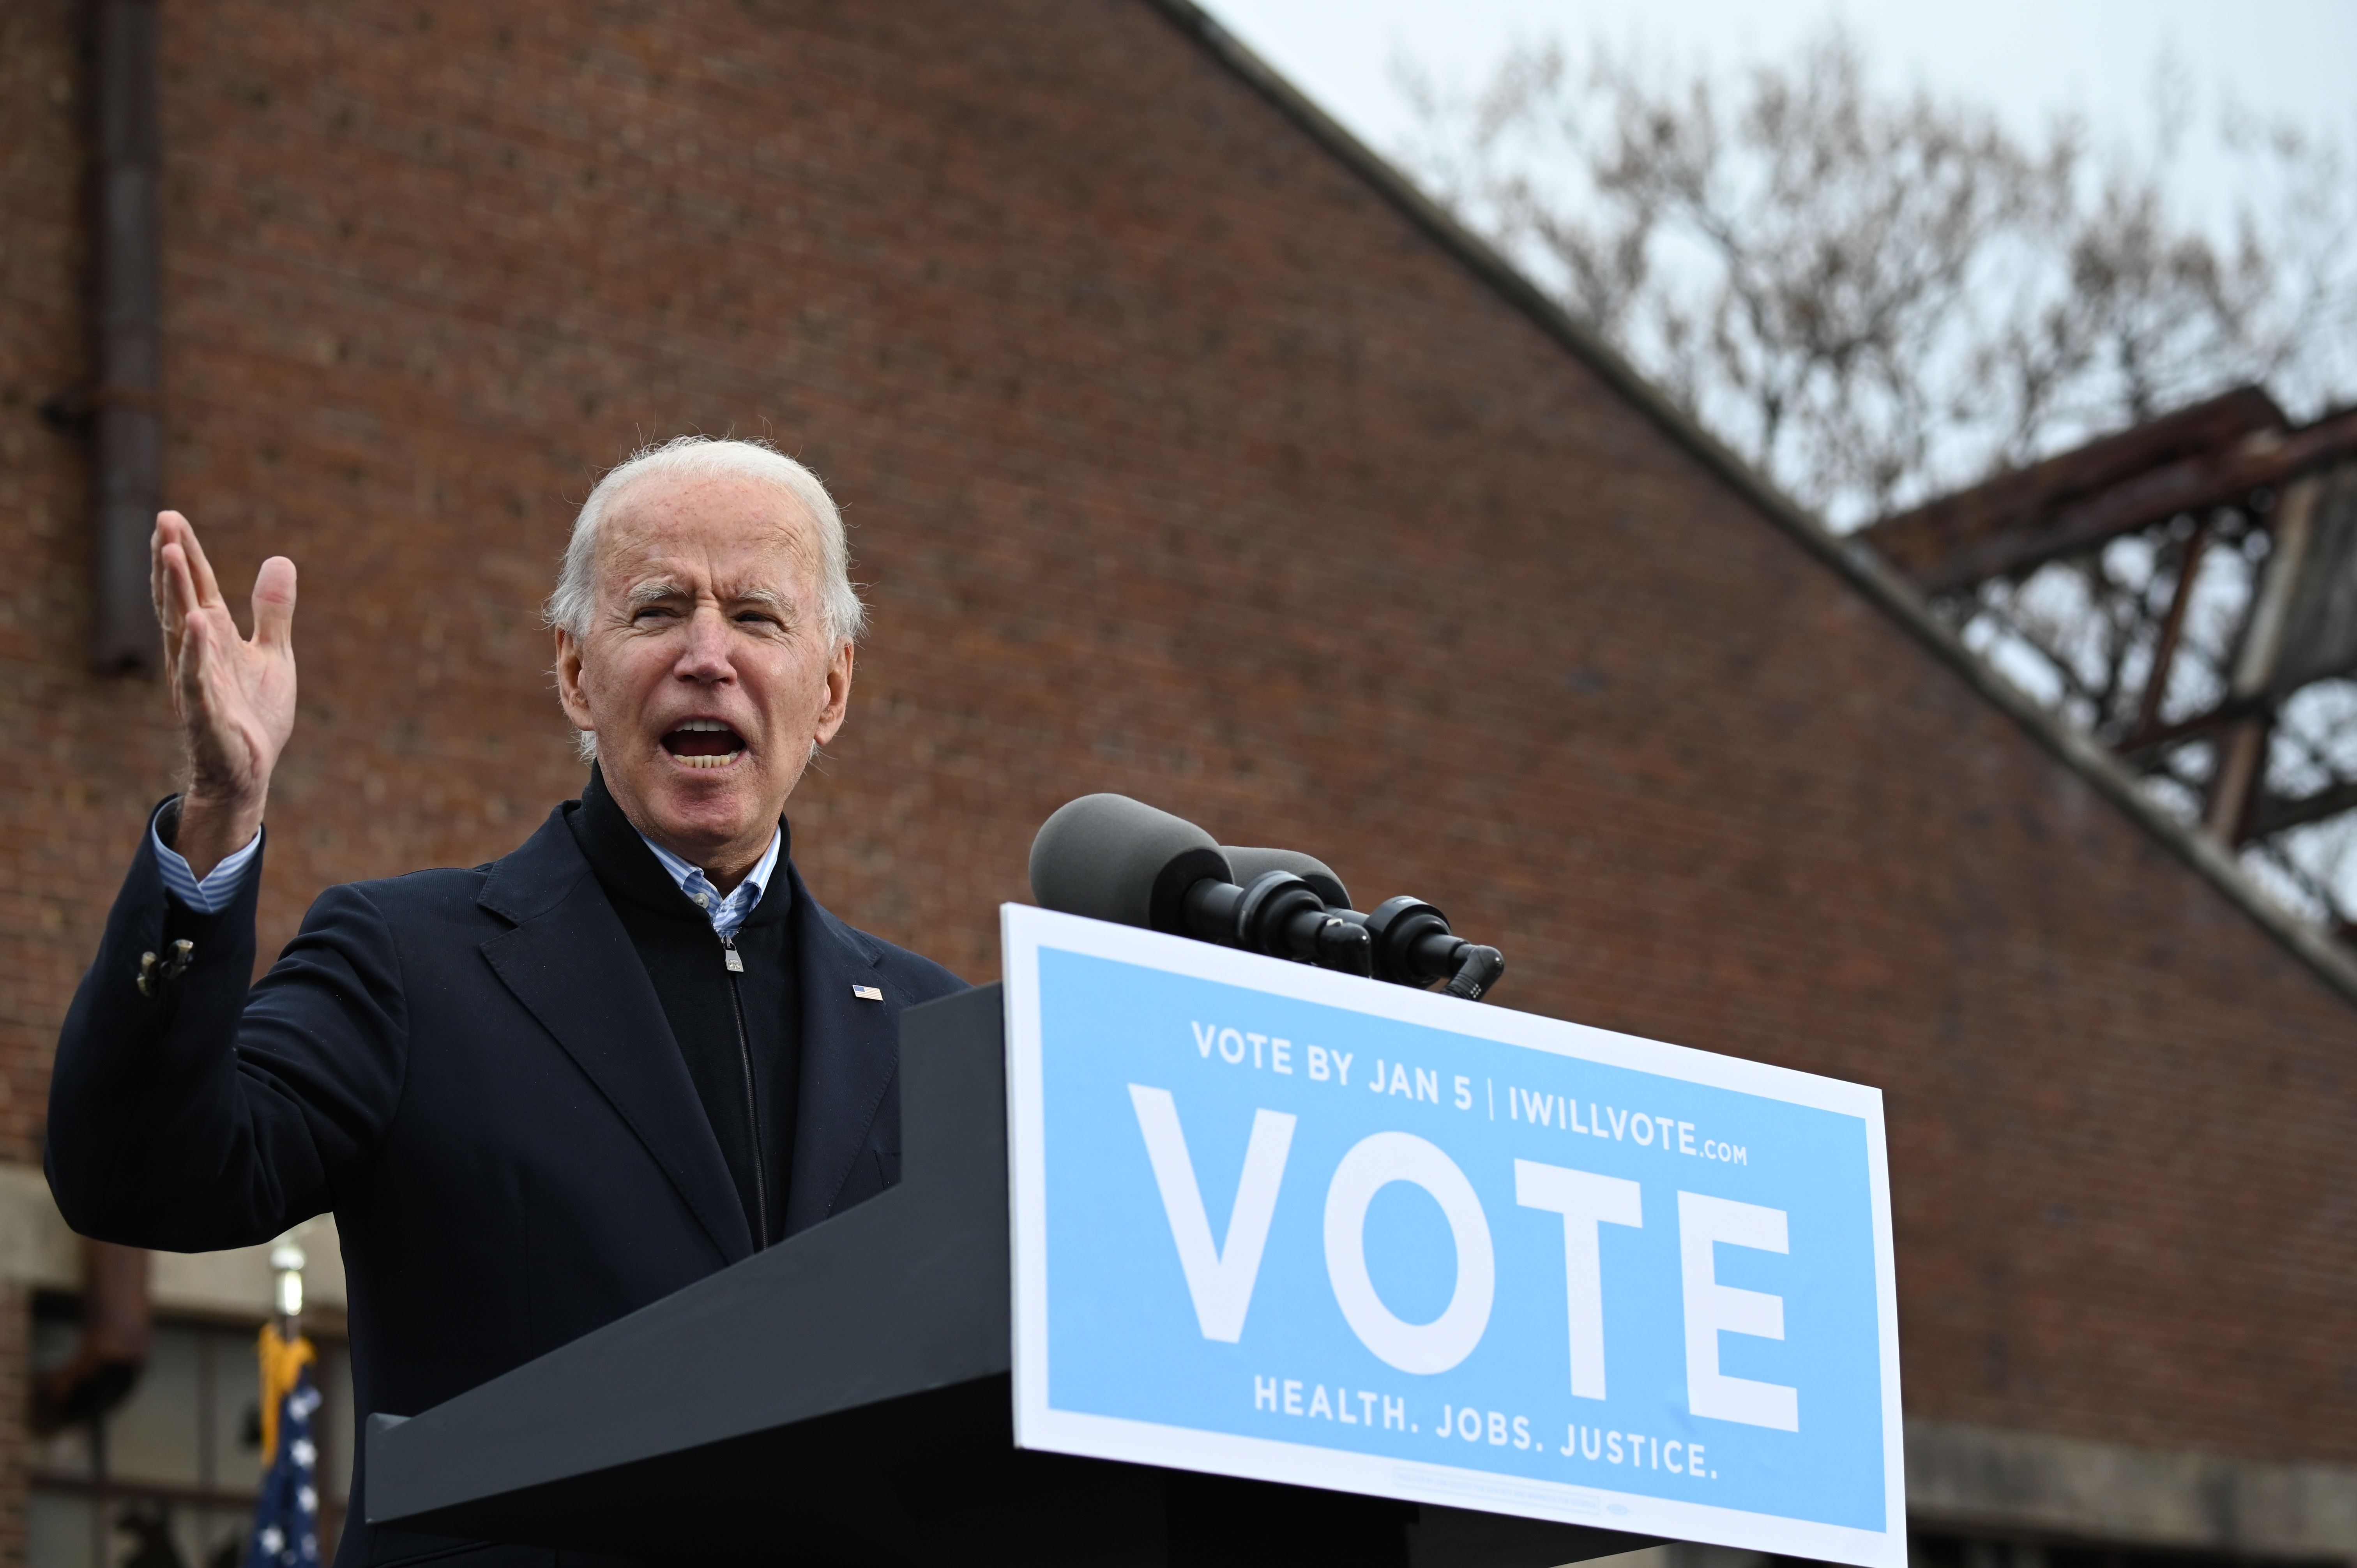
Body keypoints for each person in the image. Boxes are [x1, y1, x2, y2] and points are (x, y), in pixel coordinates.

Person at [47, 437, 966, 1567]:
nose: (707, 655)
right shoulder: (408, 963)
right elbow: (139, 1173)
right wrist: (219, 824)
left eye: (759, 618)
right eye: (658, 609)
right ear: (578, 673)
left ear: (830, 690)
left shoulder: (939, 1035)